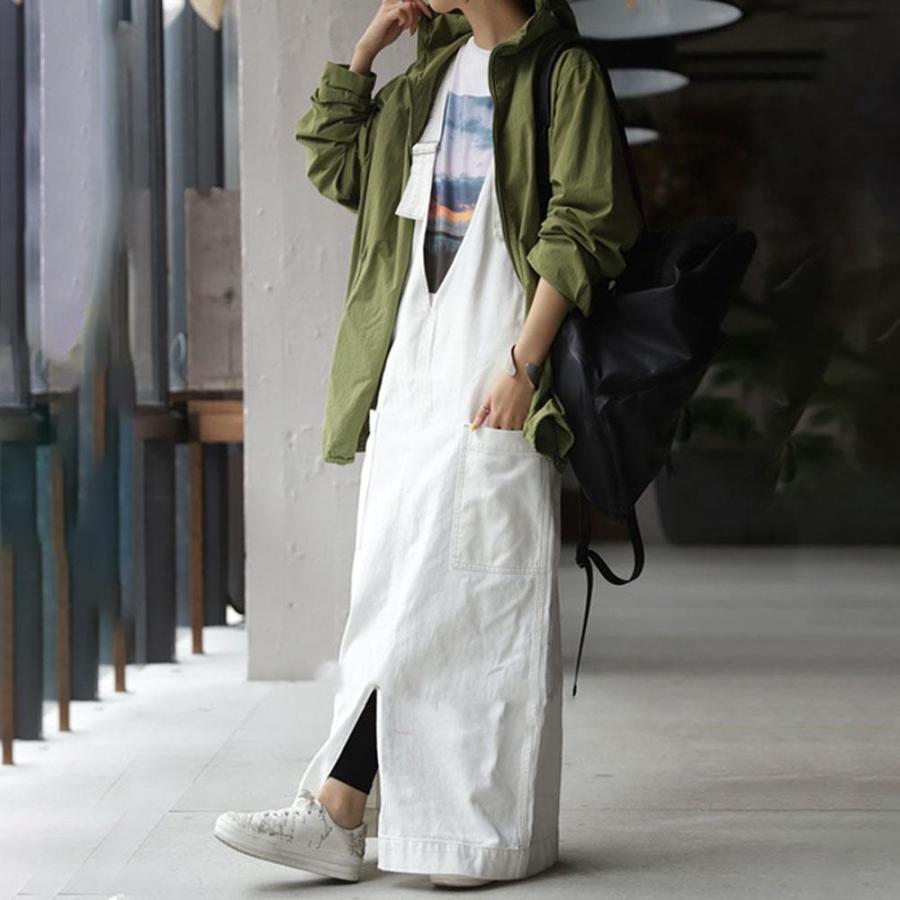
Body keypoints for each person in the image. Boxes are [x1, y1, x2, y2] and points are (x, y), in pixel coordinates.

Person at [214, 0, 642, 889]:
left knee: (471, 606)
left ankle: (415, 822)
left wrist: (522, 365)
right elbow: (338, 165)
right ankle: (346, 812)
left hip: (494, 374)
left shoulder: (564, 75)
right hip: (411, 377)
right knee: (390, 602)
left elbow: (588, 223)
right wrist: (368, 47)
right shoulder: (428, 79)